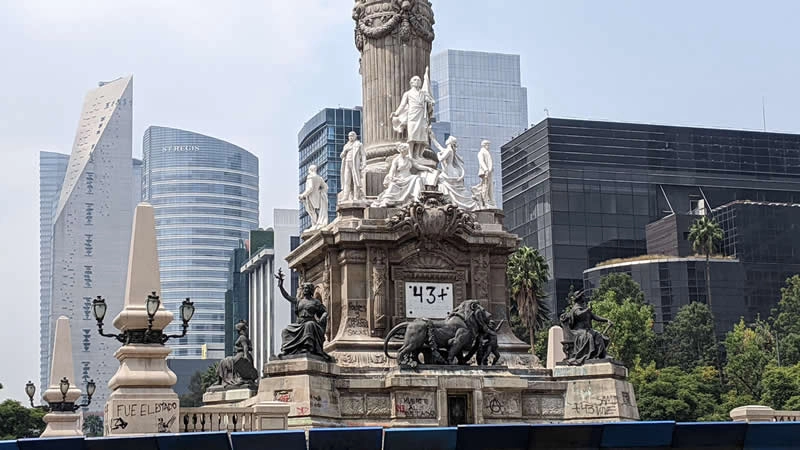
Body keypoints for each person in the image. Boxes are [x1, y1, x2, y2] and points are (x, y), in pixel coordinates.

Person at [275, 268, 332, 361]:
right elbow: (287, 296)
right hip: (299, 324)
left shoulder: (315, 302)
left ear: (310, 290)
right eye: (304, 288)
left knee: (309, 325)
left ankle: (307, 347)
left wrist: (323, 317)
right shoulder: (299, 301)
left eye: (306, 288)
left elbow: (324, 311)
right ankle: (286, 349)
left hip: (310, 322)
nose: (304, 290)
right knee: (285, 330)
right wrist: (281, 286)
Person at [559, 290, 613, 365]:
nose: (584, 297)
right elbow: (579, 314)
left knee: (598, 335)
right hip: (578, 331)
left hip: (586, 330)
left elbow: (595, 317)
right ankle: (588, 354)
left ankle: (602, 354)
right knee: (589, 336)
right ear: (579, 298)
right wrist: (587, 310)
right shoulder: (576, 308)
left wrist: (606, 320)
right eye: (582, 296)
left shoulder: (584, 307)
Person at [372, 143, 434, 208]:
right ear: (402, 150)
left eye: (407, 150)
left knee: (417, 178)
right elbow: (392, 171)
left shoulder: (409, 159)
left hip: (409, 177)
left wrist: (428, 168)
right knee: (393, 185)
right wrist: (392, 177)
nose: (408, 152)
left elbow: (417, 166)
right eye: (406, 150)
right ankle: (386, 201)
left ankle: (417, 198)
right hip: (400, 178)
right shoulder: (396, 160)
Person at [392, 68, 435, 160]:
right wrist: (396, 113)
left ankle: (418, 155)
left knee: (422, 135)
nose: (418, 81)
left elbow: (429, 103)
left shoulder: (423, 93)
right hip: (412, 115)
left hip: (422, 115)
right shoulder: (407, 93)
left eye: (419, 80)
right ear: (411, 83)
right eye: (415, 80)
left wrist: (430, 103)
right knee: (412, 135)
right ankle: (411, 154)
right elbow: (403, 105)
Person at [429, 130, 477, 211]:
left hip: (450, 171)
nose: (447, 140)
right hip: (450, 170)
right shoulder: (449, 149)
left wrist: (437, 154)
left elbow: (440, 159)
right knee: (447, 186)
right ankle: (450, 201)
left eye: (448, 139)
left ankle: (452, 202)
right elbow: (439, 147)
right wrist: (432, 138)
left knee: (439, 180)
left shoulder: (449, 150)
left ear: (449, 142)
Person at [211, 320, 258, 389]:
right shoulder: (245, 337)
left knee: (223, 361)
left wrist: (245, 356)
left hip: (240, 355)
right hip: (240, 355)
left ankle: (220, 380)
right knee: (225, 360)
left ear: (240, 330)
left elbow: (245, 347)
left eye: (238, 330)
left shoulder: (242, 337)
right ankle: (220, 380)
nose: (237, 332)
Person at [299, 164, 329, 231]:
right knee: (317, 211)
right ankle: (317, 224)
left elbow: (310, 188)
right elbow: (326, 187)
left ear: (311, 170)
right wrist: (321, 192)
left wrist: (303, 195)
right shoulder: (319, 178)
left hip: (311, 196)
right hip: (318, 196)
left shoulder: (310, 177)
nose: (308, 171)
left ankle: (314, 225)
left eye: (309, 170)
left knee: (312, 211)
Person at [340, 131, 366, 201]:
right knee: (346, 180)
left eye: (352, 136)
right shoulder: (346, 146)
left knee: (355, 180)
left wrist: (364, 163)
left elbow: (363, 154)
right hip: (347, 164)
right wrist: (345, 151)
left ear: (355, 136)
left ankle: (356, 196)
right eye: (349, 136)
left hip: (355, 164)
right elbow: (341, 156)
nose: (350, 137)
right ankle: (345, 196)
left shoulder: (359, 144)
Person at [471, 140, 496, 209]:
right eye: (487, 144)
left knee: (490, 187)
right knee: (485, 186)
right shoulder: (481, 152)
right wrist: (486, 169)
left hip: (489, 172)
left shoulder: (487, 152)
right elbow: (481, 162)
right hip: (486, 172)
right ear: (484, 145)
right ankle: (485, 201)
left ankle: (490, 201)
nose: (488, 146)